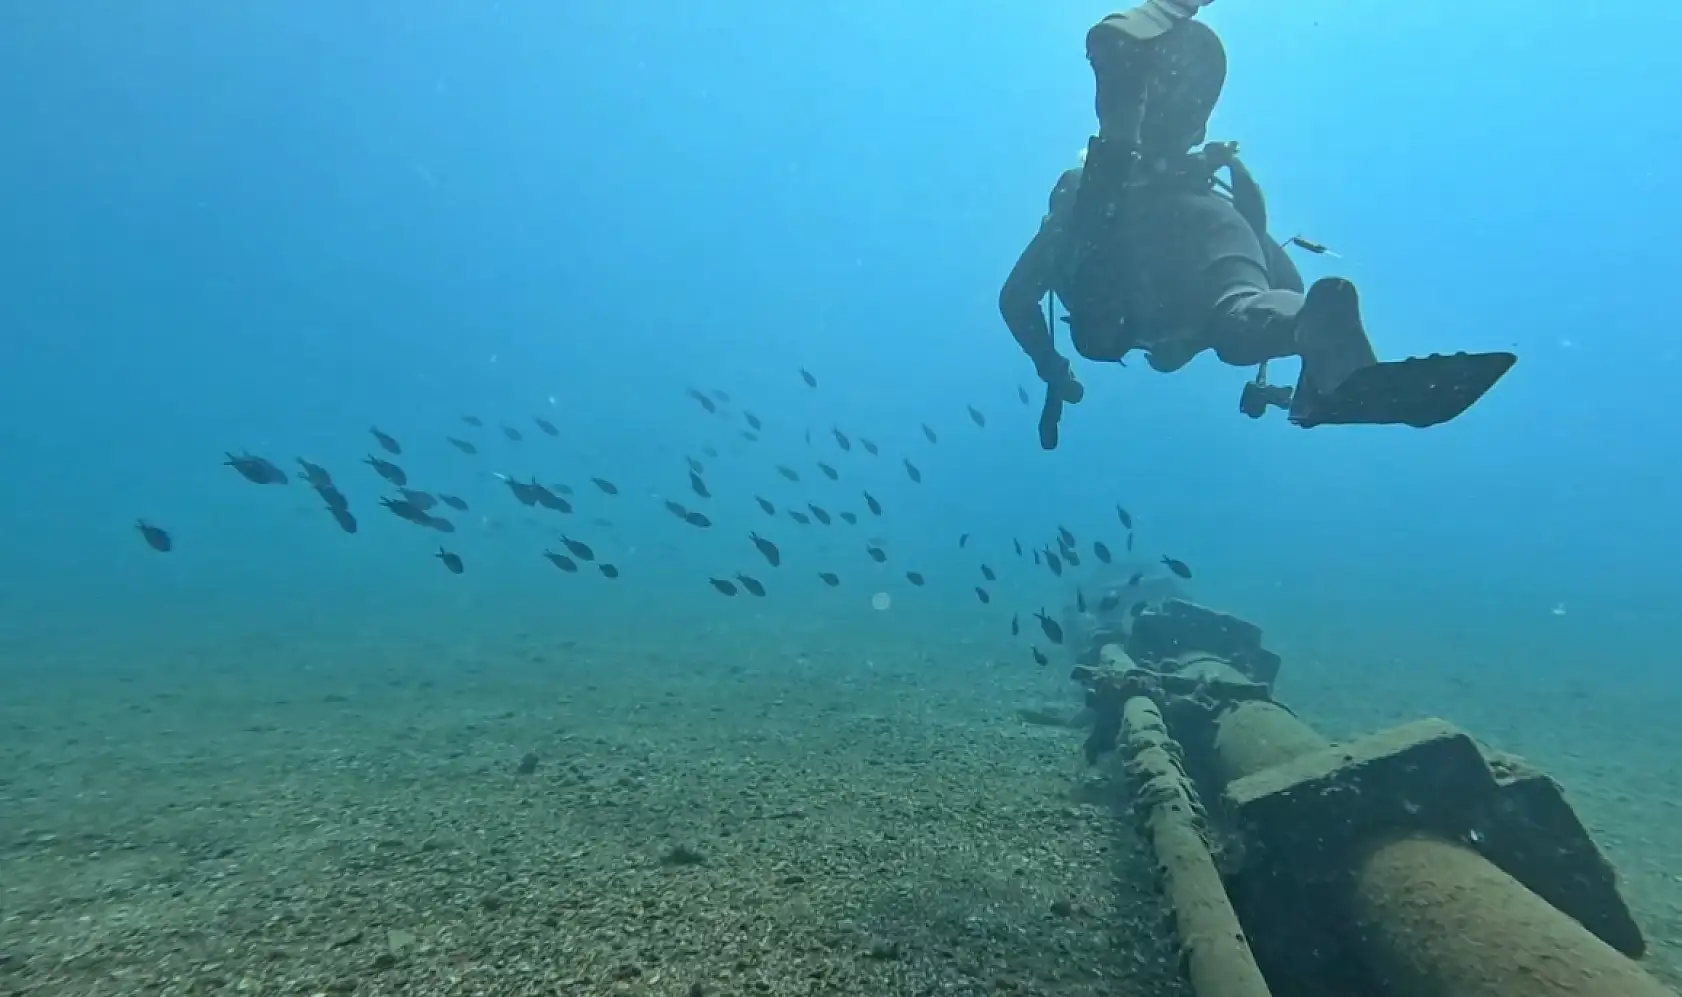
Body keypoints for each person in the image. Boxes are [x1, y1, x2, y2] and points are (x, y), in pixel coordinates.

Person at [999, 0, 1515, 450]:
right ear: (1195, 126)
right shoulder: (1210, 201)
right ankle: (1321, 345)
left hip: (1115, 231)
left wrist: (1052, 365)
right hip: (1211, 222)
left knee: (1098, 331)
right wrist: (1297, 327)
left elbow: (1016, 299)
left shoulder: (1075, 215)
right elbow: (1285, 283)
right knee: (1236, 307)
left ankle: (1121, 103)